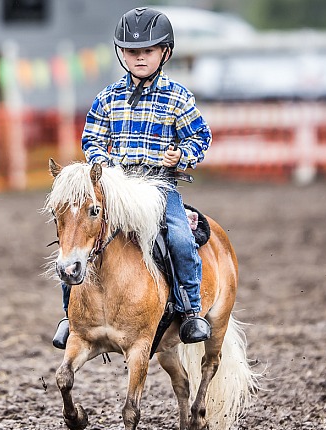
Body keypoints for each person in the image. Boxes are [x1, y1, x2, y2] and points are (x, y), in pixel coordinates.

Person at [53, 6, 212, 349]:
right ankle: (71, 316)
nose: (139, 58)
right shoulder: (107, 98)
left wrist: (182, 155)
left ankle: (190, 310)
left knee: (181, 239)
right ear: (121, 54)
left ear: (164, 53)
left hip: (158, 187)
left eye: (147, 51)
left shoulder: (178, 97)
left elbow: (201, 136)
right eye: (131, 51)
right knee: (77, 234)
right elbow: (92, 138)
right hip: (116, 186)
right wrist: (102, 163)